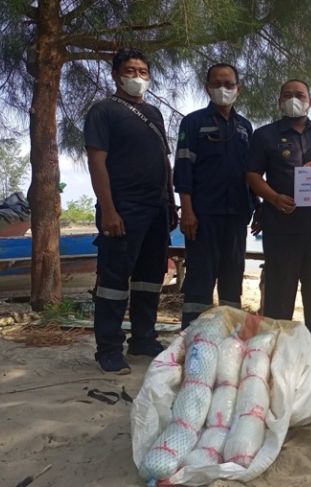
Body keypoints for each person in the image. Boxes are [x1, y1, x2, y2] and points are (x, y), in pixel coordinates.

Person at [84, 48, 176, 374]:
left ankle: (143, 339)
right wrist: (108, 208)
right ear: (116, 74)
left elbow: (164, 160)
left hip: (157, 208)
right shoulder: (103, 111)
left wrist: (170, 199)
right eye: (130, 71)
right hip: (123, 207)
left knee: (150, 279)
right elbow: (97, 162)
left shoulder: (154, 113)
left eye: (143, 71)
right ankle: (109, 349)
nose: (137, 77)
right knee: (113, 281)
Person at [246, 79, 311, 359]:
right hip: (281, 224)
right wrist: (273, 197)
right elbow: (253, 175)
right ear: (279, 101)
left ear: (310, 101)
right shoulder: (264, 135)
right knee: (280, 286)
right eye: (288, 95)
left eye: (300, 95)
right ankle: (277, 341)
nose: (294, 99)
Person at [173, 63, 257, 328]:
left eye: (229, 84)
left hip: (237, 215)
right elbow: (184, 169)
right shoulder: (193, 122)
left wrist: (257, 208)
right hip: (203, 215)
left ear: (238, 88)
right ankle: (192, 338)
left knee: (232, 277)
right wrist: (186, 210)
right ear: (207, 87)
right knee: (200, 277)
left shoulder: (245, 127)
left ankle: (230, 338)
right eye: (217, 83)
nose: (223, 89)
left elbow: (251, 173)